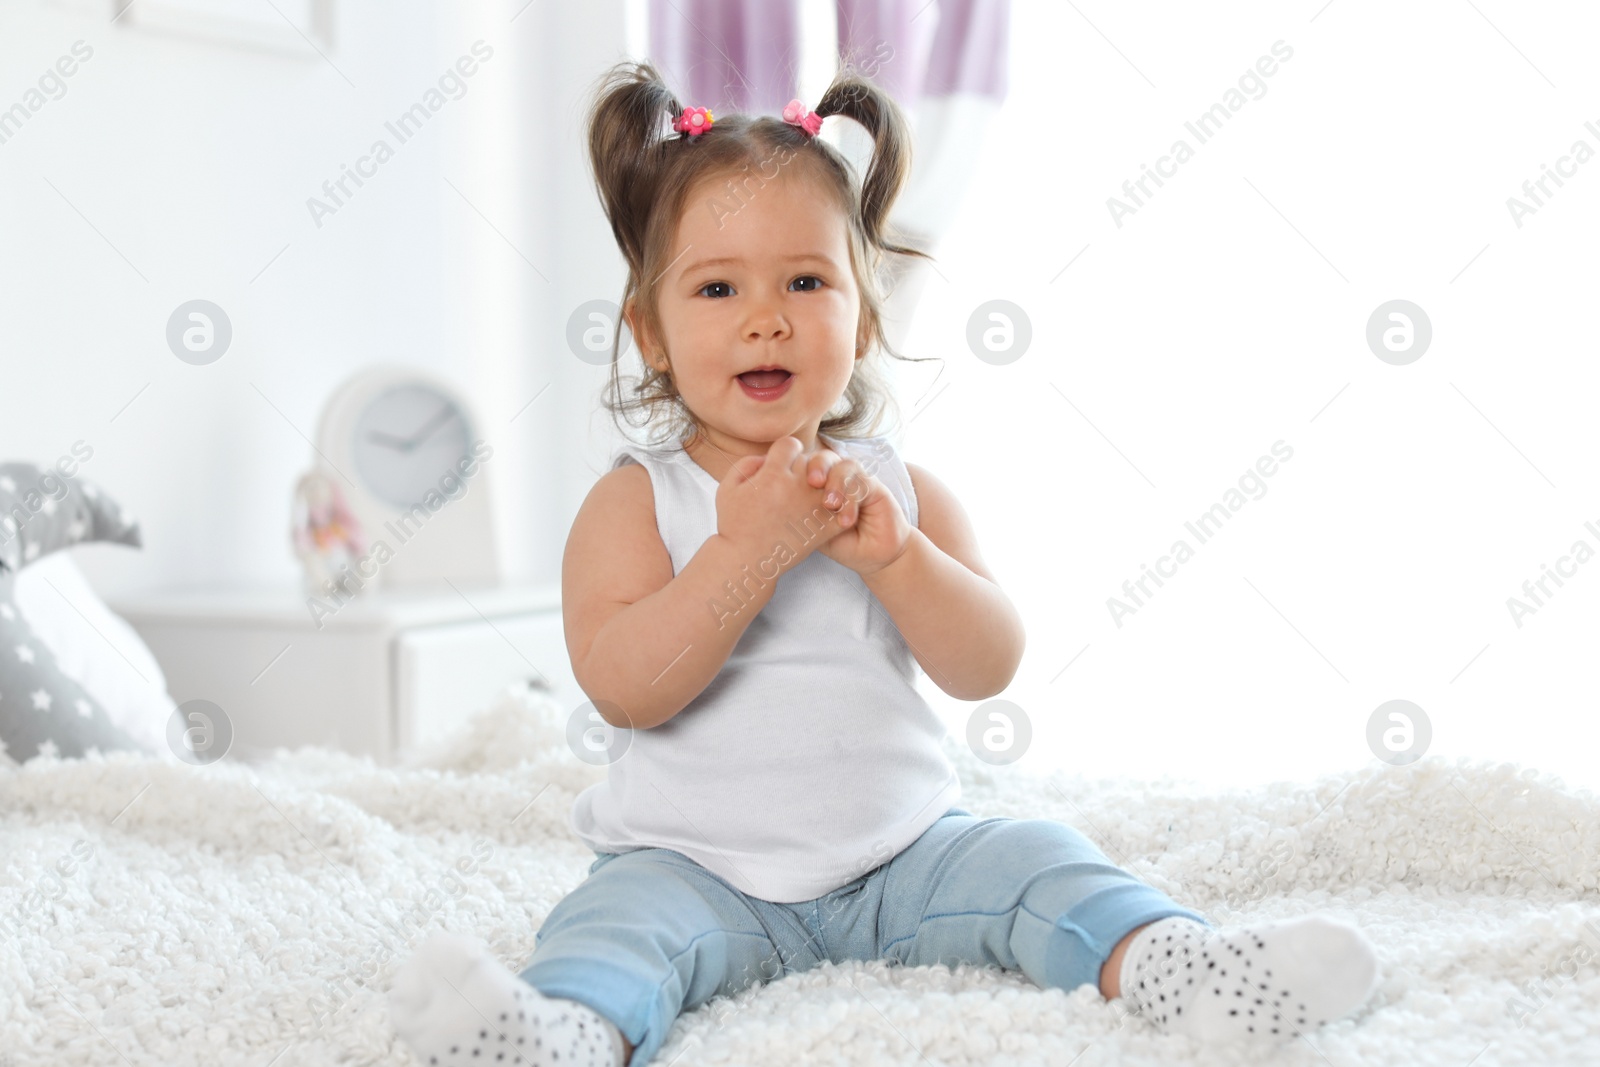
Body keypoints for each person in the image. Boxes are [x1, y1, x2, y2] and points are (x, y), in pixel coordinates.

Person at [386, 60, 1380, 1067]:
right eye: (717, 286)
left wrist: (899, 561)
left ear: (861, 318)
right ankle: (561, 1033)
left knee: (1040, 855)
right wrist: (749, 551)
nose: (765, 316)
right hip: (694, 866)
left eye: (806, 282)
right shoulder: (636, 500)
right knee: (613, 924)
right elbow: (626, 687)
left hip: (902, 854)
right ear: (650, 332)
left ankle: (1192, 970)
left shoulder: (896, 490)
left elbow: (985, 663)